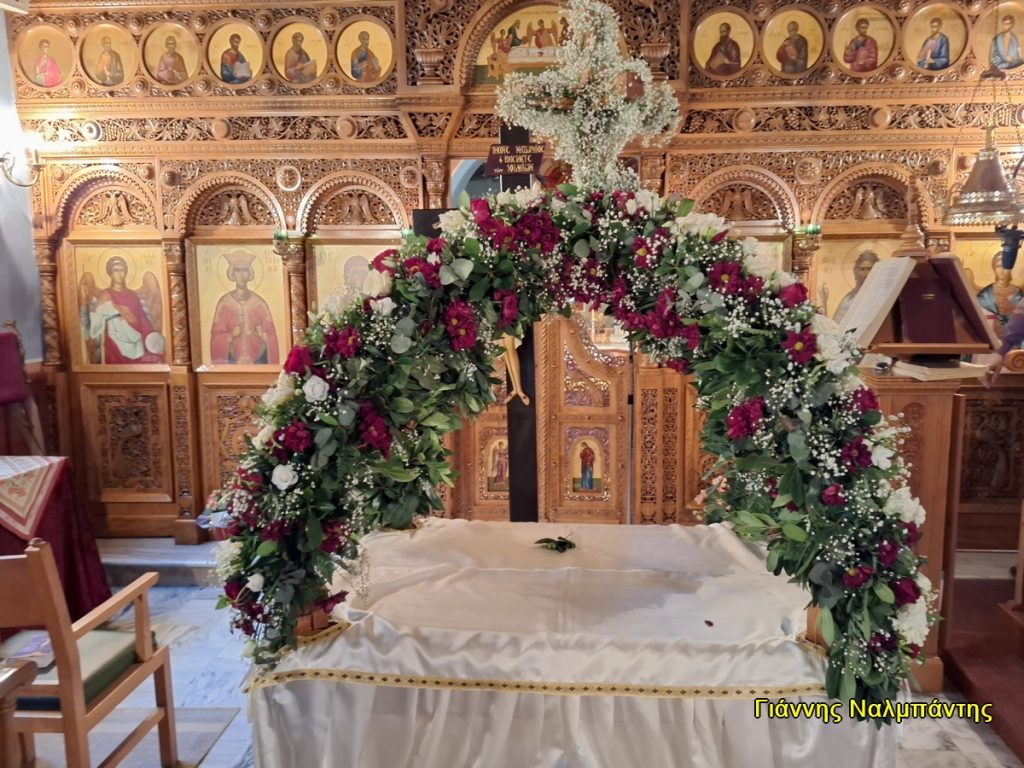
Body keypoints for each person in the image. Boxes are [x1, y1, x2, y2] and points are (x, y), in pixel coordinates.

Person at [87, 256, 164, 364]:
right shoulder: (105, 295)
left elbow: (142, 319)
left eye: (122, 270)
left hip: (135, 339)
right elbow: (97, 320)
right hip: (114, 344)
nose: (119, 274)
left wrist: (150, 338)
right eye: (115, 270)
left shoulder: (132, 295)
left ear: (126, 272)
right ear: (110, 273)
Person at [209, 251, 280, 365]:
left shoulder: (259, 303)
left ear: (250, 273)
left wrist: (262, 335)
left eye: (245, 270)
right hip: (231, 362)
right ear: (232, 273)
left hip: (258, 361)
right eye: (237, 270)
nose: (241, 275)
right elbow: (216, 337)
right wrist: (231, 336)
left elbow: (272, 336)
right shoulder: (224, 304)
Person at [977, 252, 1024, 328]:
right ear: (994, 269)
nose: (1002, 270)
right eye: (998, 266)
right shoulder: (984, 295)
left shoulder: (1019, 294)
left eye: (1005, 267)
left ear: (1010, 269)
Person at [834, 251, 879, 323]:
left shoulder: (881, 295)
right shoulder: (849, 298)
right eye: (862, 269)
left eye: (869, 269)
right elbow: (836, 323)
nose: (866, 273)